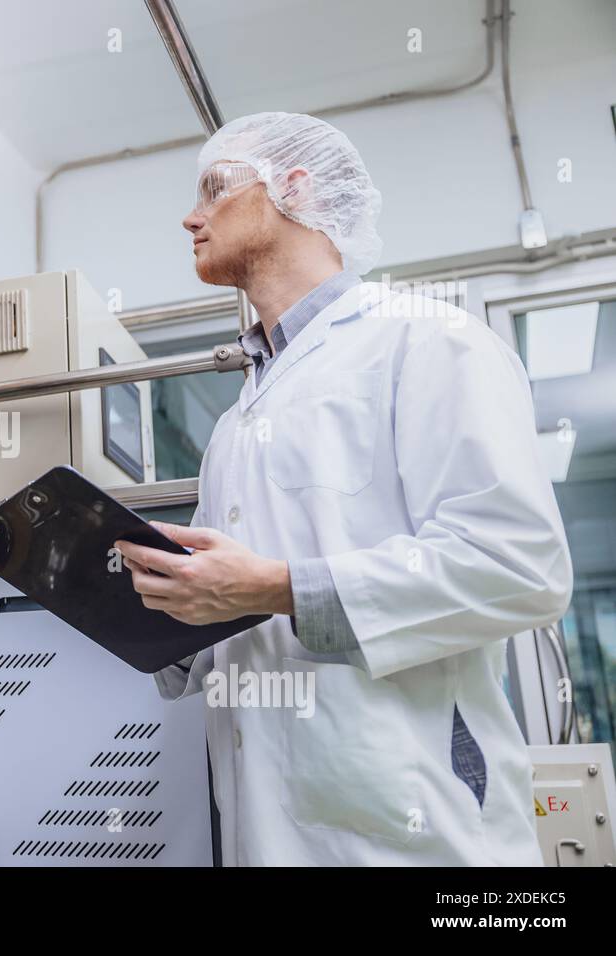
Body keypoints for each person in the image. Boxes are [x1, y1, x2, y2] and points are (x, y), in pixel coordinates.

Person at [114, 111, 572, 866]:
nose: (190, 217)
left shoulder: (425, 342)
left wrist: (275, 585)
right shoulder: (237, 421)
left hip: (415, 830)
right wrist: (157, 614)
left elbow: (519, 567)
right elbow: (239, 616)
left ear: (296, 187)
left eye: (215, 187)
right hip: (265, 830)